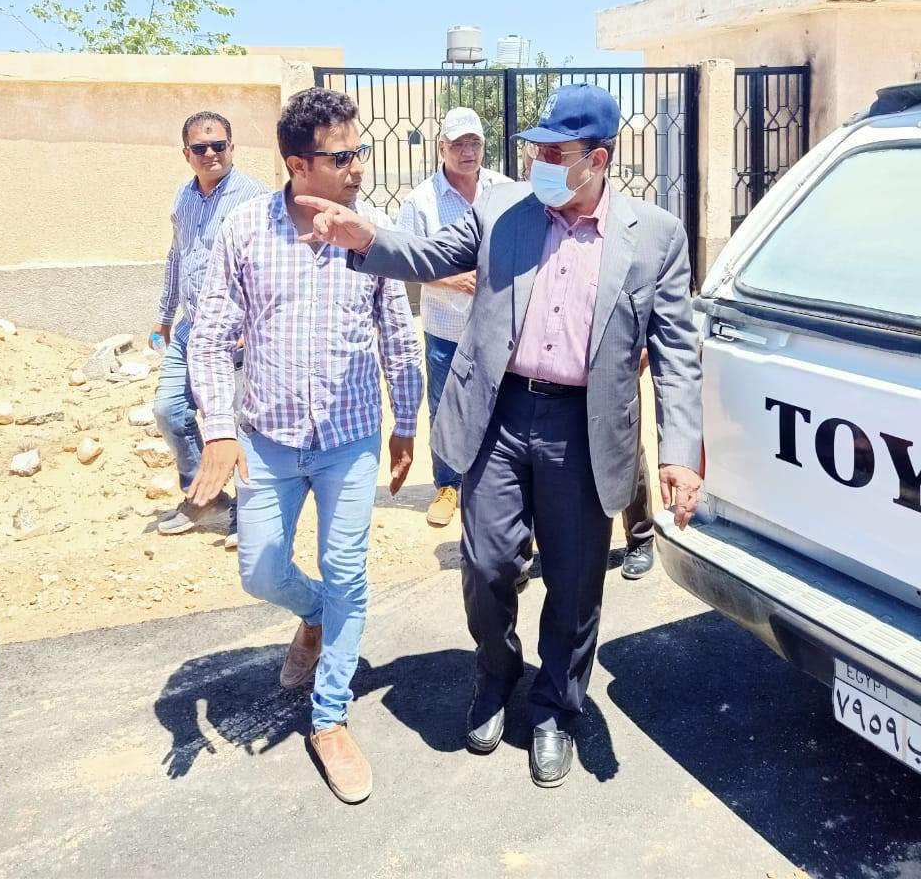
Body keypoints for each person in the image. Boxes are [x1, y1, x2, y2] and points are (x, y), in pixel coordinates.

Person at [295, 83, 702, 788]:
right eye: (535, 150)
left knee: (575, 583)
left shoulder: (656, 237)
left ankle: (555, 707)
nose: (539, 163)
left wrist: (680, 453)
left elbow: (676, 351)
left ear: (598, 159)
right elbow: (429, 255)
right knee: (486, 566)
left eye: (555, 153)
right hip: (500, 415)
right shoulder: (504, 212)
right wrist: (365, 240)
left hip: (584, 427)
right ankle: (497, 670)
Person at [187, 87, 422, 805]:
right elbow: (209, 337)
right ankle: (314, 613)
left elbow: (397, 332)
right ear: (298, 164)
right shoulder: (246, 230)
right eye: (343, 156)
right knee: (260, 569)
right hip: (269, 438)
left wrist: (405, 421)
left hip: (350, 438)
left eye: (359, 152)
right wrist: (218, 429)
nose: (358, 167)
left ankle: (330, 717)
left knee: (348, 570)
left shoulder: (370, 233)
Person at [151, 111, 267, 547]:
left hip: (236, 335)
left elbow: (268, 266)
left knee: (238, 426)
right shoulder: (182, 198)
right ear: (187, 154)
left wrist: (253, 322)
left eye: (219, 145)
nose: (211, 154)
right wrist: (164, 316)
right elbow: (177, 257)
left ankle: (249, 514)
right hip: (190, 330)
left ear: (232, 148)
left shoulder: (254, 198)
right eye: (200, 147)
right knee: (169, 411)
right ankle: (207, 497)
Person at [398, 107, 509, 527]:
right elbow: (406, 263)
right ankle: (447, 485)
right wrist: (453, 280)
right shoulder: (420, 202)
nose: (467, 151)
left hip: (497, 327)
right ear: (441, 147)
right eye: (458, 143)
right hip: (445, 328)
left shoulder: (504, 190)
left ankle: (494, 482)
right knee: (445, 408)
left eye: (474, 142)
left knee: (501, 404)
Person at [620, 348, 655, 579]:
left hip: (617, 354)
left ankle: (640, 537)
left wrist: (642, 344)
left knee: (626, 448)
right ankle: (517, 555)